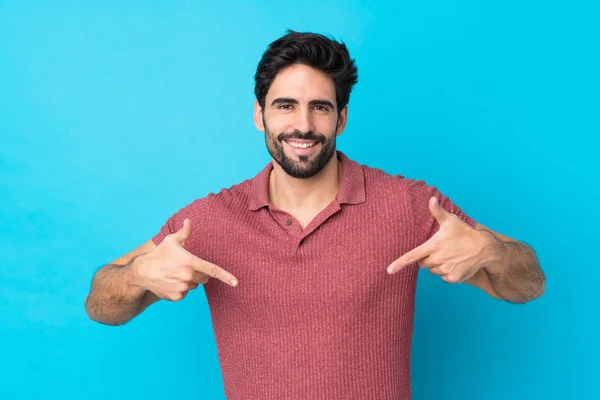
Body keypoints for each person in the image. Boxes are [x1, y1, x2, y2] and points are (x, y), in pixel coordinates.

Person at [85, 30, 545, 399]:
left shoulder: (409, 205)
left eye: (319, 108)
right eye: (285, 106)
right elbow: (102, 307)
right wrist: (138, 276)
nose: (302, 125)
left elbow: (527, 286)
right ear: (259, 115)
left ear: (341, 119)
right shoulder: (207, 222)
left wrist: (490, 250)